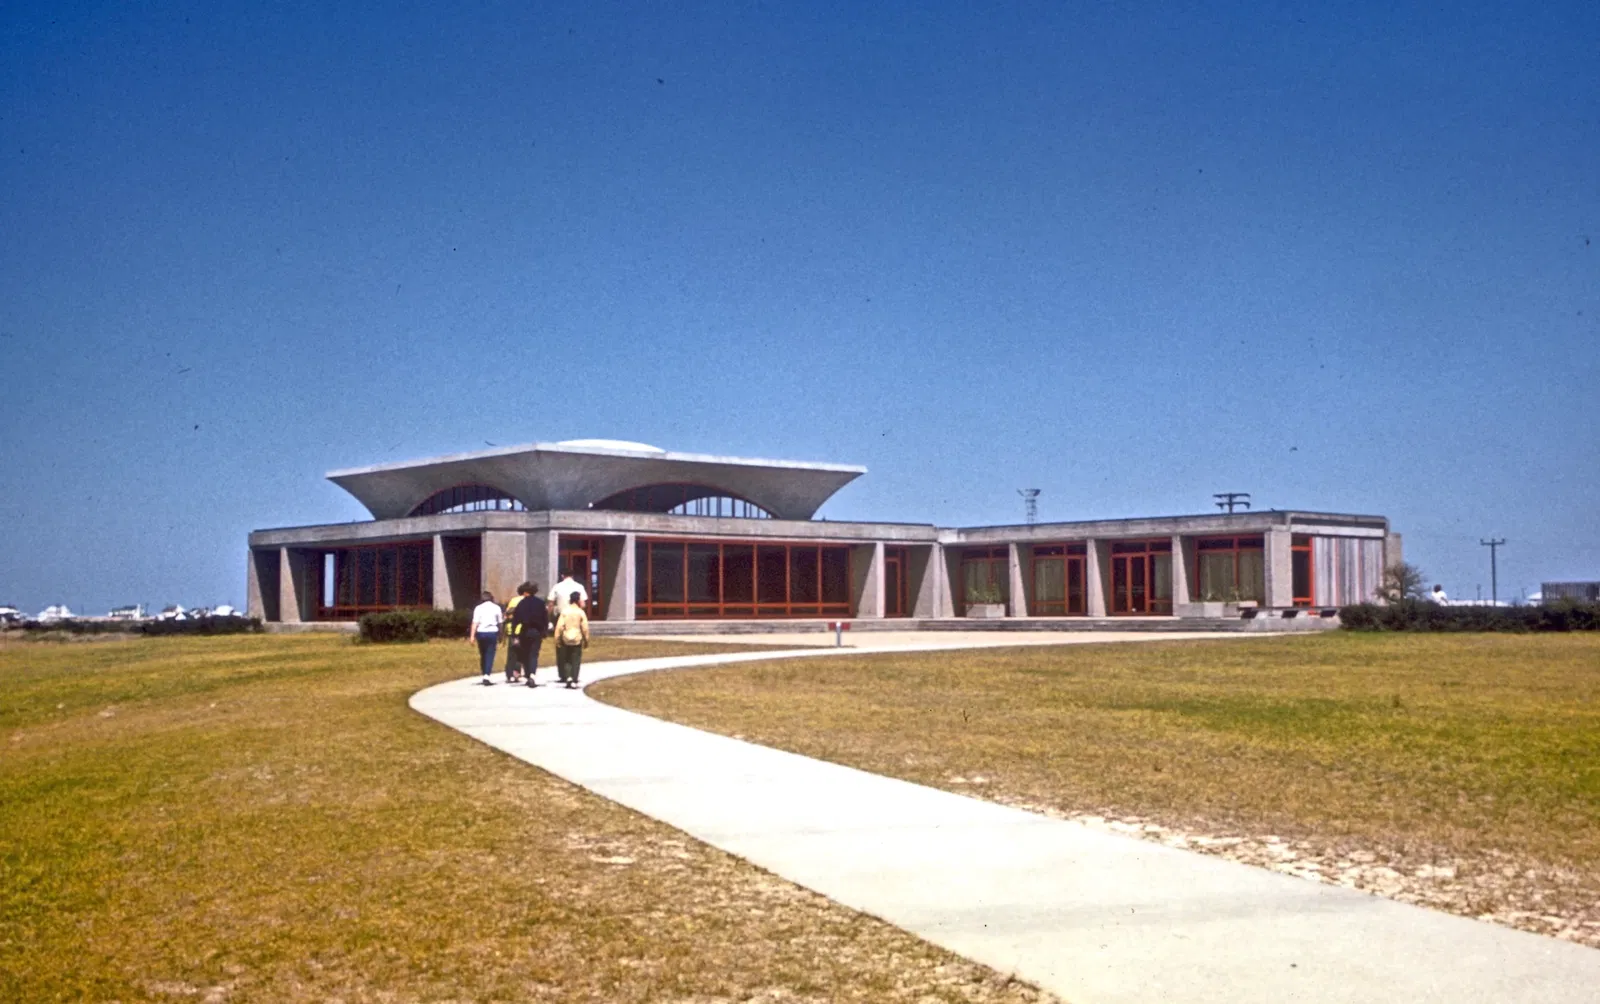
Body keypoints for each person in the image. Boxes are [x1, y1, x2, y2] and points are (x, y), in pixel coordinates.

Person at [509, 581, 550, 687]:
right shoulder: (540, 603)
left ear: (526, 592)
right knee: (534, 654)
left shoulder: (521, 604)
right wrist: (544, 631)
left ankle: (527, 675)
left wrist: (514, 634)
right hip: (537, 631)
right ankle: (532, 674)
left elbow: (515, 620)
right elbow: (545, 618)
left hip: (525, 631)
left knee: (525, 654)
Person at [553, 591, 589, 689]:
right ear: (578, 600)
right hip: (577, 638)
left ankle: (568, 676)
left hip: (566, 637)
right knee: (575, 659)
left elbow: (560, 626)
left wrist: (557, 638)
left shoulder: (565, 611)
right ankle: (574, 678)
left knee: (567, 659)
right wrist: (586, 640)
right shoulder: (581, 612)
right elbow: (584, 627)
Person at [467, 590, 504, 686]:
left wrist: (472, 636)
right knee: (490, 654)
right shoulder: (496, 608)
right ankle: (487, 675)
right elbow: (500, 623)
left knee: (483, 654)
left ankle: (484, 673)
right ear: (492, 598)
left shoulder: (478, 608)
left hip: (481, 633)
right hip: (492, 632)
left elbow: (475, 623)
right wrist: (501, 635)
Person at [502, 582, 530, 683]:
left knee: (511, 654)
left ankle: (509, 674)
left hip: (511, 630)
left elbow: (507, 614)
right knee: (522, 653)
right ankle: (517, 672)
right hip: (523, 630)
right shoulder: (526, 601)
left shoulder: (513, 600)